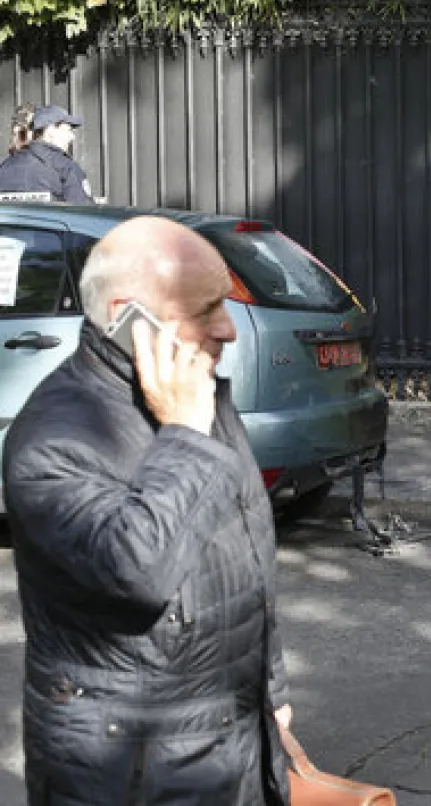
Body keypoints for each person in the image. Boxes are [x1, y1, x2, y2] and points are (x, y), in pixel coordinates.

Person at [3, 216, 293, 805]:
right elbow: (138, 573)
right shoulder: (52, 440)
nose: (227, 329)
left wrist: (273, 688)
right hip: (132, 769)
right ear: (129, 315)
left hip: (233, 733)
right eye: (205, 308)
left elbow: (246, 547)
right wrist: (184, 432)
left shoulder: (195, 391)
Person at [0, 103, 95, 203]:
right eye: (69, 130)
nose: (72, 137)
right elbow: (83, 213)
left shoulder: (5, 166)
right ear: (50, 130)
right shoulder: (66, 168)